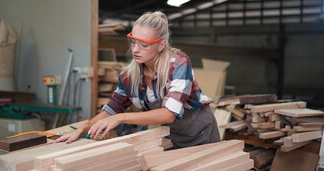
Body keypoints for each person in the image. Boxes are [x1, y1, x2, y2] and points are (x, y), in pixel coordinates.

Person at [55, 11, 220, 148]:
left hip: (200, 133)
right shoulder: (129, 76)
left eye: (144, 45)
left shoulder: (178, 64)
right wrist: (82, 128)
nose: (135, 49)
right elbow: (112, 109)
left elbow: (169, 114)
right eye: (133, 42)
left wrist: (120, 118)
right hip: (172, 134)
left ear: (161, 45)